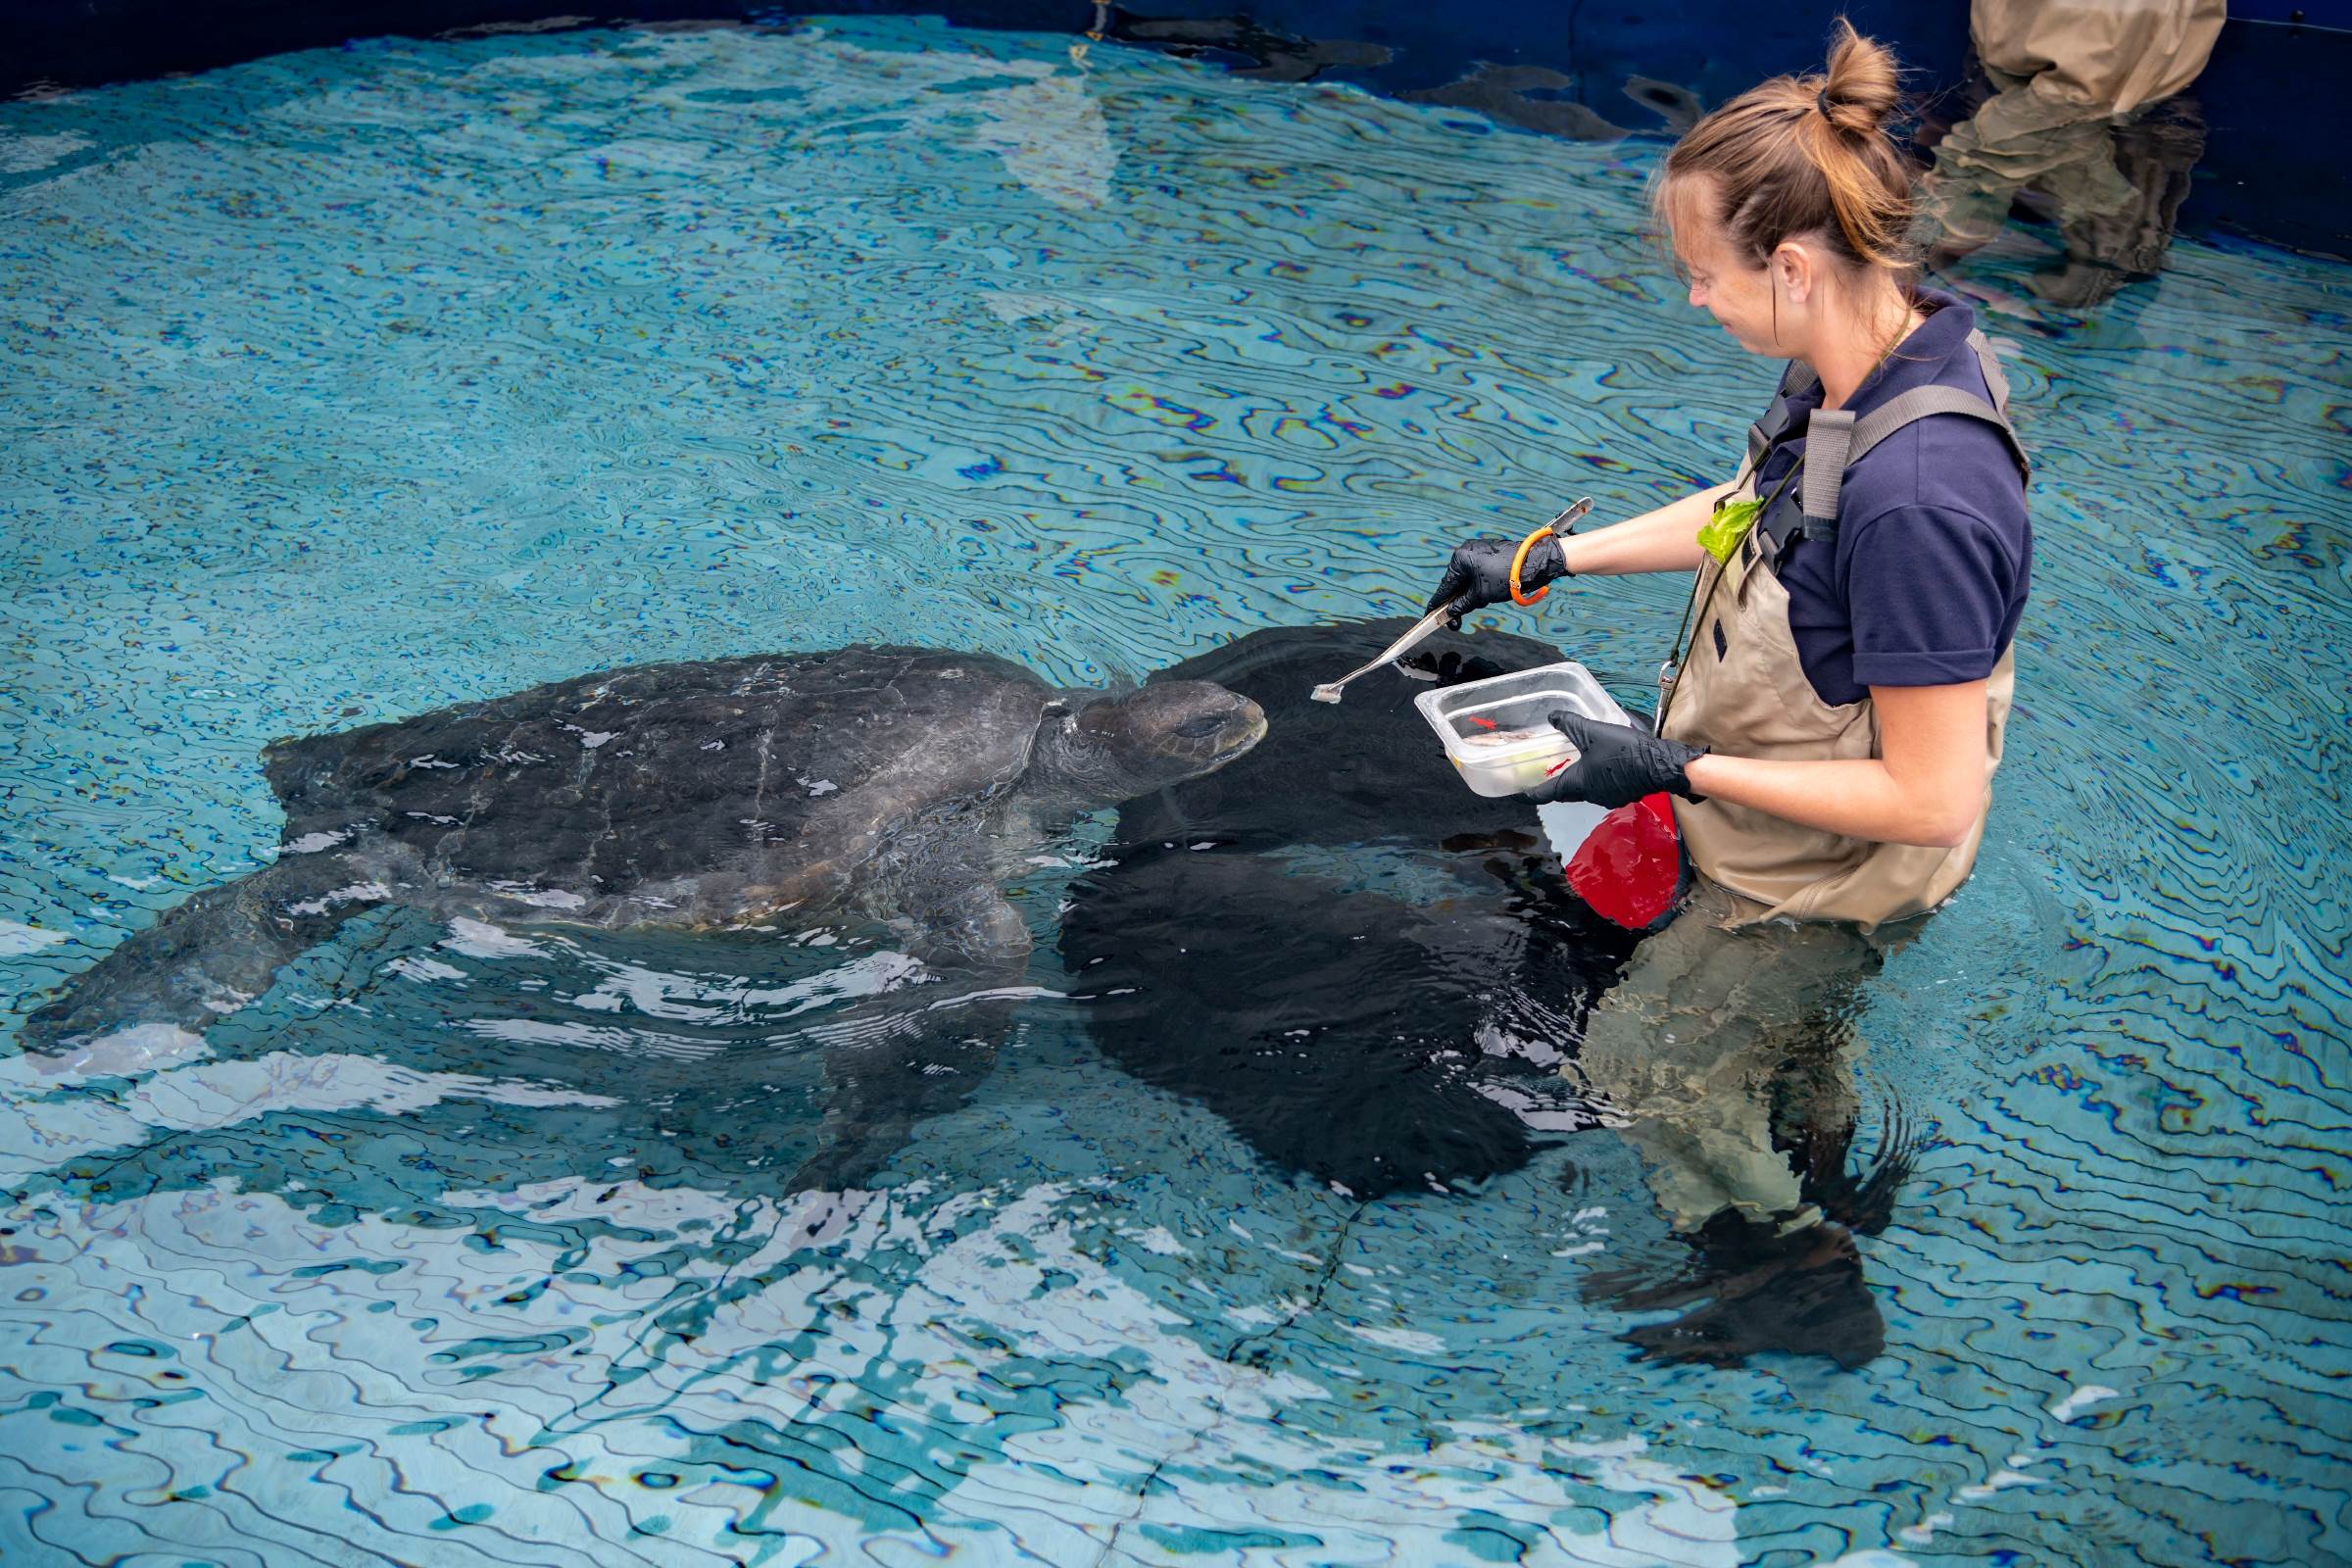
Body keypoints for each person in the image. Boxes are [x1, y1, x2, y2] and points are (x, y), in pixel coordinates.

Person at [1424, 22, 2032, 1332]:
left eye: (1706, 274)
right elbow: (1752, 510)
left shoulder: (1923, 500)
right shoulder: (1860, 361)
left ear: (1796, 266)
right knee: (1782, 1041)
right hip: (1788, 818)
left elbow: (1935, 796)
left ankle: (1796, 1285)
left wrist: (1675, 767)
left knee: (1647, 1066)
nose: (1696, 299)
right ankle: (1814, 1171)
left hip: (1829, 867)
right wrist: (1552, 558)